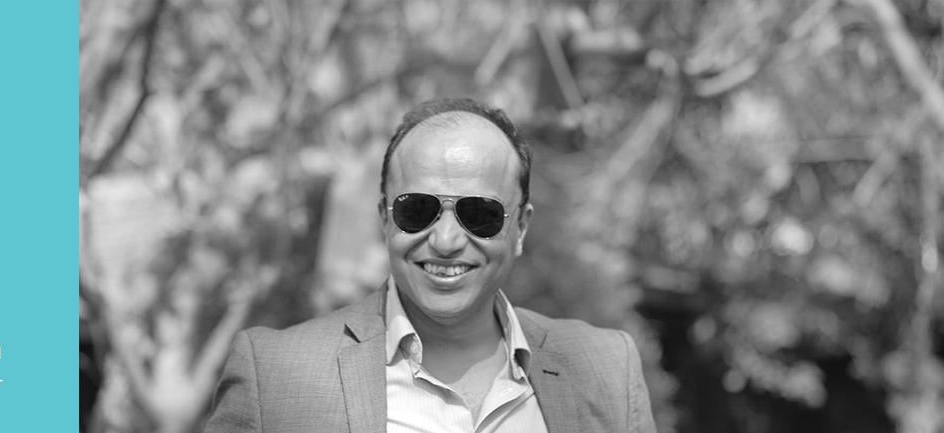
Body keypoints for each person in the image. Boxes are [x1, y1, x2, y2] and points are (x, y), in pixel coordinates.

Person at [204, 98, 657, 433]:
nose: (445, 241)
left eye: (480, 214)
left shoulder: (606, 368)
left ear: (520, 227)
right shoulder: (275, 375)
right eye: (417, 210)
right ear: (385, 219)